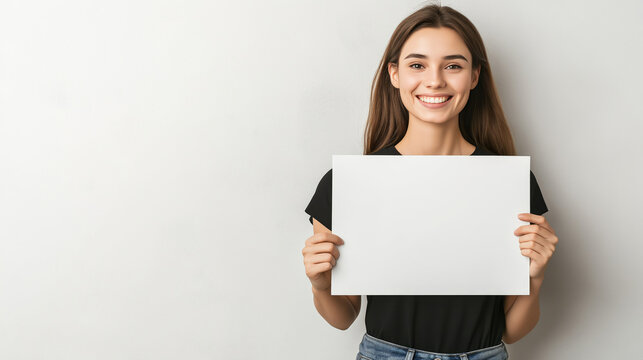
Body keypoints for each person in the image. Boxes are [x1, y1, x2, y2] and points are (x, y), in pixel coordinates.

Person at [301, 4, 559, 360]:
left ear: (474, 76)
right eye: (417, 65)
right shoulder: (347, 184)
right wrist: (320, 284)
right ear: (394, 74)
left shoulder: (510, 183)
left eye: (453, 65)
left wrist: (535, 279)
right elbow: (343, 317)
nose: (435, 80)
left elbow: (512, 331)